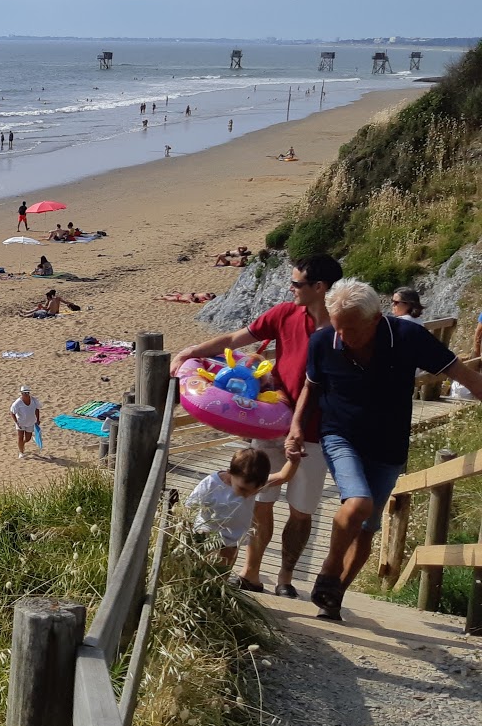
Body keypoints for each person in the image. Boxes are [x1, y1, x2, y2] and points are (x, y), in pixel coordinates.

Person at [292, 279, 482, 620]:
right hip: (340, 435)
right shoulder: (324, 341)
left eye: (352, 330)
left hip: (389, 445)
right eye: (339, 329)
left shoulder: (407, 337)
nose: (344, 339)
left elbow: (464, 375)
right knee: (358, 503)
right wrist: (295, 426)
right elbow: (311, 386)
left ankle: (333, 597)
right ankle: (329, 567)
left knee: (367, 527)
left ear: (376, 319)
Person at [171, 253, 341, 598]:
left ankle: (286, 577)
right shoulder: (283, 313)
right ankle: (251, 572)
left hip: (315, 431)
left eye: (296, 283)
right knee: (260, 501)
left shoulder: (342, 329)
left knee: (302, 510)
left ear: (319, 287)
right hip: (272, 423)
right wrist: (190, 352)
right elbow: (235, 340)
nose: (290, 288)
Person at [185, 448, 273, 568]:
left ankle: (219, 583)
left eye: (253, 492)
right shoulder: (211, 484)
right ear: (229, 472)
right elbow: (189, 506)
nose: (246, 495)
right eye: (243, 489)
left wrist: (293, 462)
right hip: (206, 533)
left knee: (223, 569)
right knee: (201, 566)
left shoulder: (253, 483)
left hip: (232, 539)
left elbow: (283, 477)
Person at [10, 385, 41, 459]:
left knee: (28, 438)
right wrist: (16, 422)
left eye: (27, 393)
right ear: (21, 394)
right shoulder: (17, 403)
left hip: (30, 422)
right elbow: (12, 412)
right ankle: (21, 452)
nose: (26, 394)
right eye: (24, 393)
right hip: (20, 422)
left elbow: (37, 409)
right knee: (20, 437)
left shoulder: (33, 400)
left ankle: (22, 444)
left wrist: (37, 419)